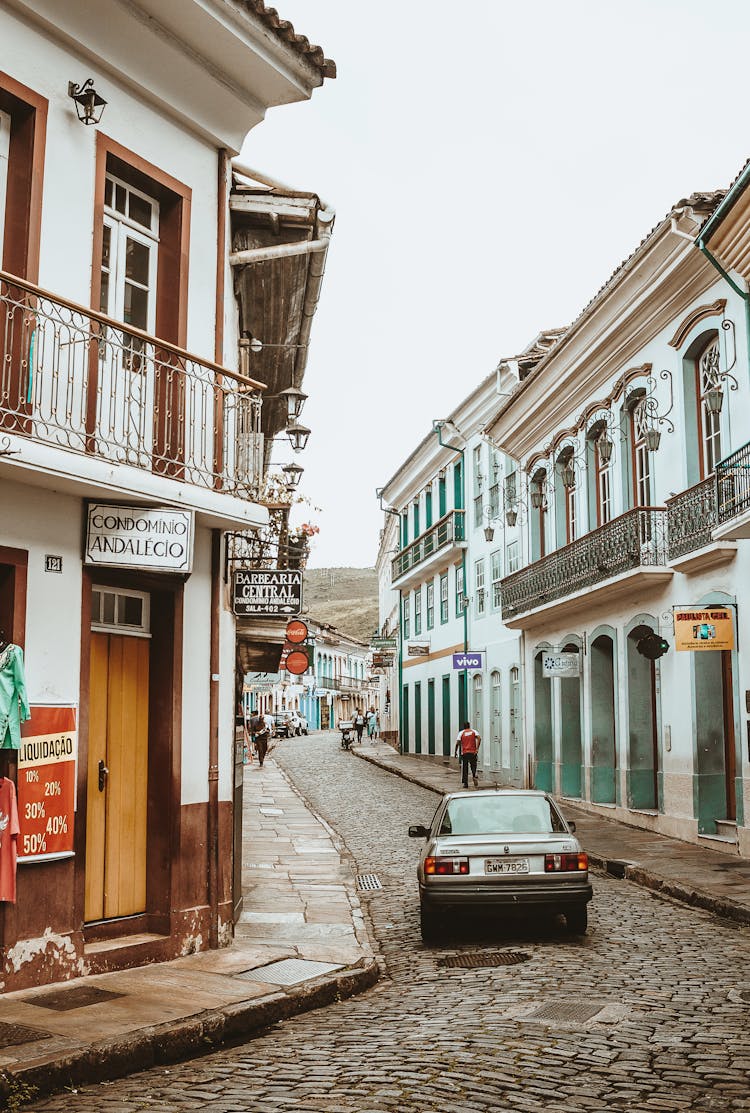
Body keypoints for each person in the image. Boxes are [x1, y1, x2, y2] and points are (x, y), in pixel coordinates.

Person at [454, 721, 481, 789]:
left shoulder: (461, 733)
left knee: (465, 768)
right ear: (469, 726)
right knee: (473, 765)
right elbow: (479, 738)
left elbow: (457, 743)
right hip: (473, 752)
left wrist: (455, 752)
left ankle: (465, 783)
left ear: (464, 726)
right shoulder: (474, 731)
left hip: (465, 752)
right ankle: (474, 774)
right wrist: (477, 748)